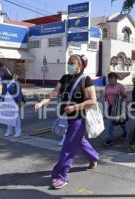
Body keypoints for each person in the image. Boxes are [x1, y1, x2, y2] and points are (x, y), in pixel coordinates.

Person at [35, 54, 99, 189]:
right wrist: (43, 102)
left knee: (68, 148)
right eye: (69, 62)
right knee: (79, 141)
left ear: (79, 65)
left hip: (78, 119)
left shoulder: (86, 80)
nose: (69, 65)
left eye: (72, 63)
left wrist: (75, 107)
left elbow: (92, 101)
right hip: (65, 118)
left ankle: (61, 176)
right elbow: (54, 93)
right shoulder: (64, 78)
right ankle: (94, 157)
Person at [104, 72, 129, 146]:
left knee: (121, 123)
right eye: (109, 79)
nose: (110, 81)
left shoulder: (120, 86)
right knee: (109, 124)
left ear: (116, 79)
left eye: (112, 79)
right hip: (110, 107)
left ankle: (125, 131)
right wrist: (106, 105)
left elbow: (125, 96)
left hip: (119, 107)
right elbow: (105, 96)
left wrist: (121, 94)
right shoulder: (107, 86)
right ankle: (110, 139)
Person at [0, 67, 25, 138]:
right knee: (8, 117)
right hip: (7, 102)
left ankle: (18, 131)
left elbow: (19, 94)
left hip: (14, 102)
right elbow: (3, 93)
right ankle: (9, 131)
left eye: (2, 73)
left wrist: (19, 103)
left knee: (16, 118)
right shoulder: (4, 82)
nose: (1, 75)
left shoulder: (16, 82)